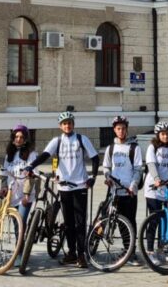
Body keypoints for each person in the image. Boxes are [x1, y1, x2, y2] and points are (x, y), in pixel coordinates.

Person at [28, 111, 99, 268]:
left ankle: (81, 255)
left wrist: (93, 176)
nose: (67, 125)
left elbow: (95, 157)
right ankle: (71, 253)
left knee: (80, 222)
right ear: (60, 126)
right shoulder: (57, 141)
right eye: (64, 123)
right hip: (64, 187)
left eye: (70, 123)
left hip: (80, 185)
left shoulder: (81, 139)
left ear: (73, 124)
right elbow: (45, 155)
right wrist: (31, 166)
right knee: (68, 223)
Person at [101, 115, 143, 263]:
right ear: (114, 130)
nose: (121, 131)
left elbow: (138, 169)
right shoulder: (110, 148)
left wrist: (133, 185)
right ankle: (126, 249)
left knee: (130, 221)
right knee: (118, 221)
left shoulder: (134, 147)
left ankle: (131, 253)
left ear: (127, 129)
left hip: (129, 191)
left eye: (124, 128)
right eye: (118, 128)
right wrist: (107, 177)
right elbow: (106, 166)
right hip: (114, 191)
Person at [143, 121, 168, 264]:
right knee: (153, 221)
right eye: (162, 134)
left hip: (166, 190)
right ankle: (150, 251)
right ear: (158, 135)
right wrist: (157, 179)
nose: (165, 136)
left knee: (164, 221)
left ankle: (160, 250)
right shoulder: (152, 147)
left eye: (167, 134)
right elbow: (151, 164)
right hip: (153, 190)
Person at [0, 124, 37, 224]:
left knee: (21, 223)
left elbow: (32, 175)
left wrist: (26, 195)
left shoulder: (31, 154)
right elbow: (4, 174)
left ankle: (23, 239)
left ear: (25, 139)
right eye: (16, 137)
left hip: (24, 195)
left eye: (21, 137)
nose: (18, 139)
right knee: (16, 225)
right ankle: (21, 240)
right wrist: (4, 188)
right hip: (12, 195)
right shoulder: (9, 155)